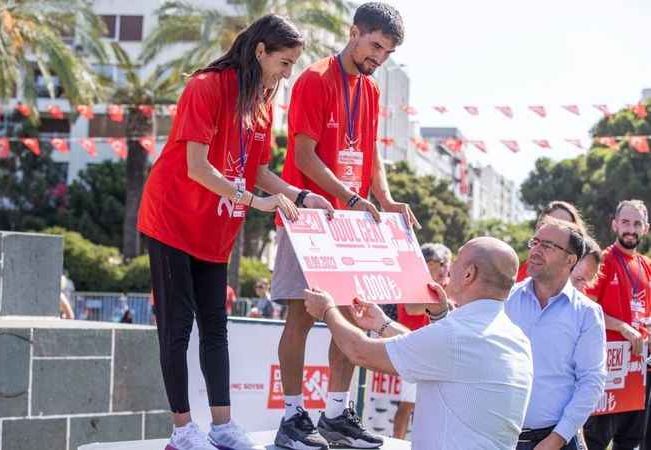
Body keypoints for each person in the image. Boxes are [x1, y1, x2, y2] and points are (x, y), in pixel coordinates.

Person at [136, 15, 334, 450]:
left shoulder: (261, 102)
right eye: (285, 63)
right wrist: (254, 203)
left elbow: (259, 170)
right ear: (260, 52)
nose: (288, 73)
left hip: (214, 227)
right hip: (172, 218)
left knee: (215, 325)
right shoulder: (206, 87)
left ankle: (223, 426)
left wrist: (301, 197)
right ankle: (183, 430)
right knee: (176, 327)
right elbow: (196, 167)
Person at [271, 4, 419, 449]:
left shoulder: (370, 90)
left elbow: (370, 154)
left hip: (354, 222)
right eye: (375, 45)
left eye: (388, 52)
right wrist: (350, 196)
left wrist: (384, 198)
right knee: (300, 315)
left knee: (354, 316)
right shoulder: (314, 78)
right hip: (310, 217)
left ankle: (336, 414)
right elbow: (302, 156)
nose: (379, 57)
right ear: (354, 33)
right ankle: (293, 416)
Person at [303, 237, 533, 450]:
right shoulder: (516, 338)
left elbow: (359, 352)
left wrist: (327, 311)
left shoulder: (457, 336)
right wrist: (383, 323)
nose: (449, 267)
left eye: (456, 260)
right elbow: (435, 352)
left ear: (468, 274)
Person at [506, 217, 607, 449]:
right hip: (501, 439)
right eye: (535, 242)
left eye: (548, 246)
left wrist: (557, 438)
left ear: (570, 259)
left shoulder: (587, 314)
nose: (536, 250)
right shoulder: (506, 299)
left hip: (555, 441)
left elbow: (591, 381)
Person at [582, 200, 651, 450]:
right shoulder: (603, 260)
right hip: (608, 369)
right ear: (614, 225)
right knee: (596, 441)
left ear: (646, 228)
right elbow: (586, 310)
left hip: (638, 369)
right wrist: (622, 327)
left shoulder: (646, 265)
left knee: (631, 441)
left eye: (636, 223)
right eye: (625, 222)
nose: (630, 229)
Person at [392, 242, 451, 439]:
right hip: (415, 347)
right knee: (408, 404)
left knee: (423, 405)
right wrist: (444, 302)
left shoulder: (440, 286)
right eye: (440, 262)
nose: (444, 268)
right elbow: (411, 309)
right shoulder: (415, 283)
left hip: (432, 349)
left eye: (446, 263)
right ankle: (399, 443)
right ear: (427, 263)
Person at [517, 201, 589, 282]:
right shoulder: (521, 275)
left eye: (564, 226)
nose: (554, 229)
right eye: (549, 223)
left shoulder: (581, 276)